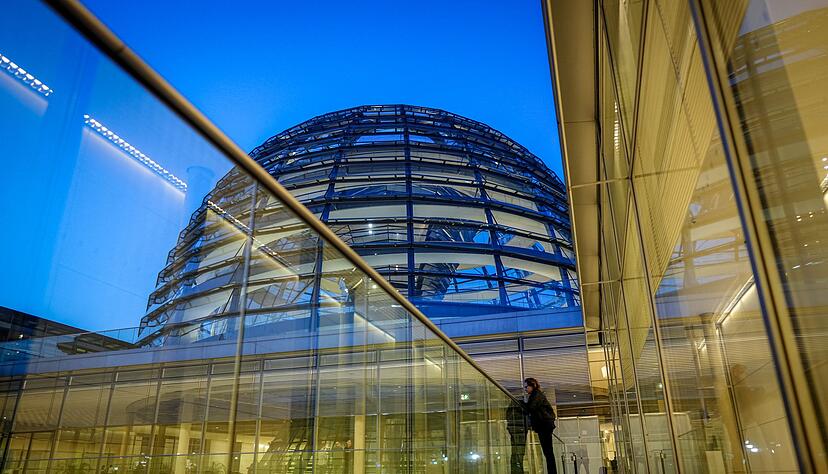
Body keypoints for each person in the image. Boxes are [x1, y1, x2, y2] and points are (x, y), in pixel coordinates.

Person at [523, 377, 557, 474]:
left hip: (544, 425)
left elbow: (531, 408)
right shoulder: (536, 394)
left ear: (532, 386)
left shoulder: (536, 394)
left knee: (548, 452)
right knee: (548, 452)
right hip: (545, 425)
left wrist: (522, 404)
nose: (525, 389)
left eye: (526, 387)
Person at [506, 402, 528, 473]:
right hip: (519, 431)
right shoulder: (519, 407)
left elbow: (508, 419)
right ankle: (518, 471)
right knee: (519, 453)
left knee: (515, 452)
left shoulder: (511, 407)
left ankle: (516, 471)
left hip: (516, 431)